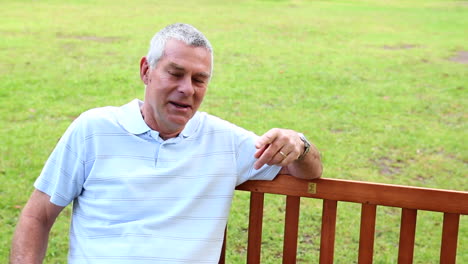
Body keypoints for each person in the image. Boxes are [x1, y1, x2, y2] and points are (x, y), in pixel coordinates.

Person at [10, 23, 322, 264]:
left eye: (199, 79)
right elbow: (37, 216)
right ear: (146, 70)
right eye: (175, 74)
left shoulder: (225, 142)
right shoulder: (94, 129)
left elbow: (308, 172)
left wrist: (300, 144)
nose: (187, 89)